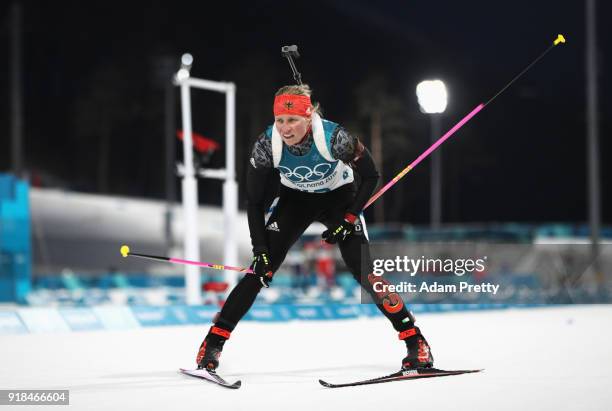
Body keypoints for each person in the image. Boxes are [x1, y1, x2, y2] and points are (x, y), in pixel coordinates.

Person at [195, 84, 434, 371]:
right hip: (295, 201)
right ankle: (213, 344)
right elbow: (255, 202)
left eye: (293, 119)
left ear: (308, 117)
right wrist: (260, 249)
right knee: (259, 271)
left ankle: (414, 341)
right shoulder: (265, 145)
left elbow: (371, 176)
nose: (285, 128)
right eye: (280, 120)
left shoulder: (335, 138)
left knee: (365, 272)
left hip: (339, 198)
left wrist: (348, 219)